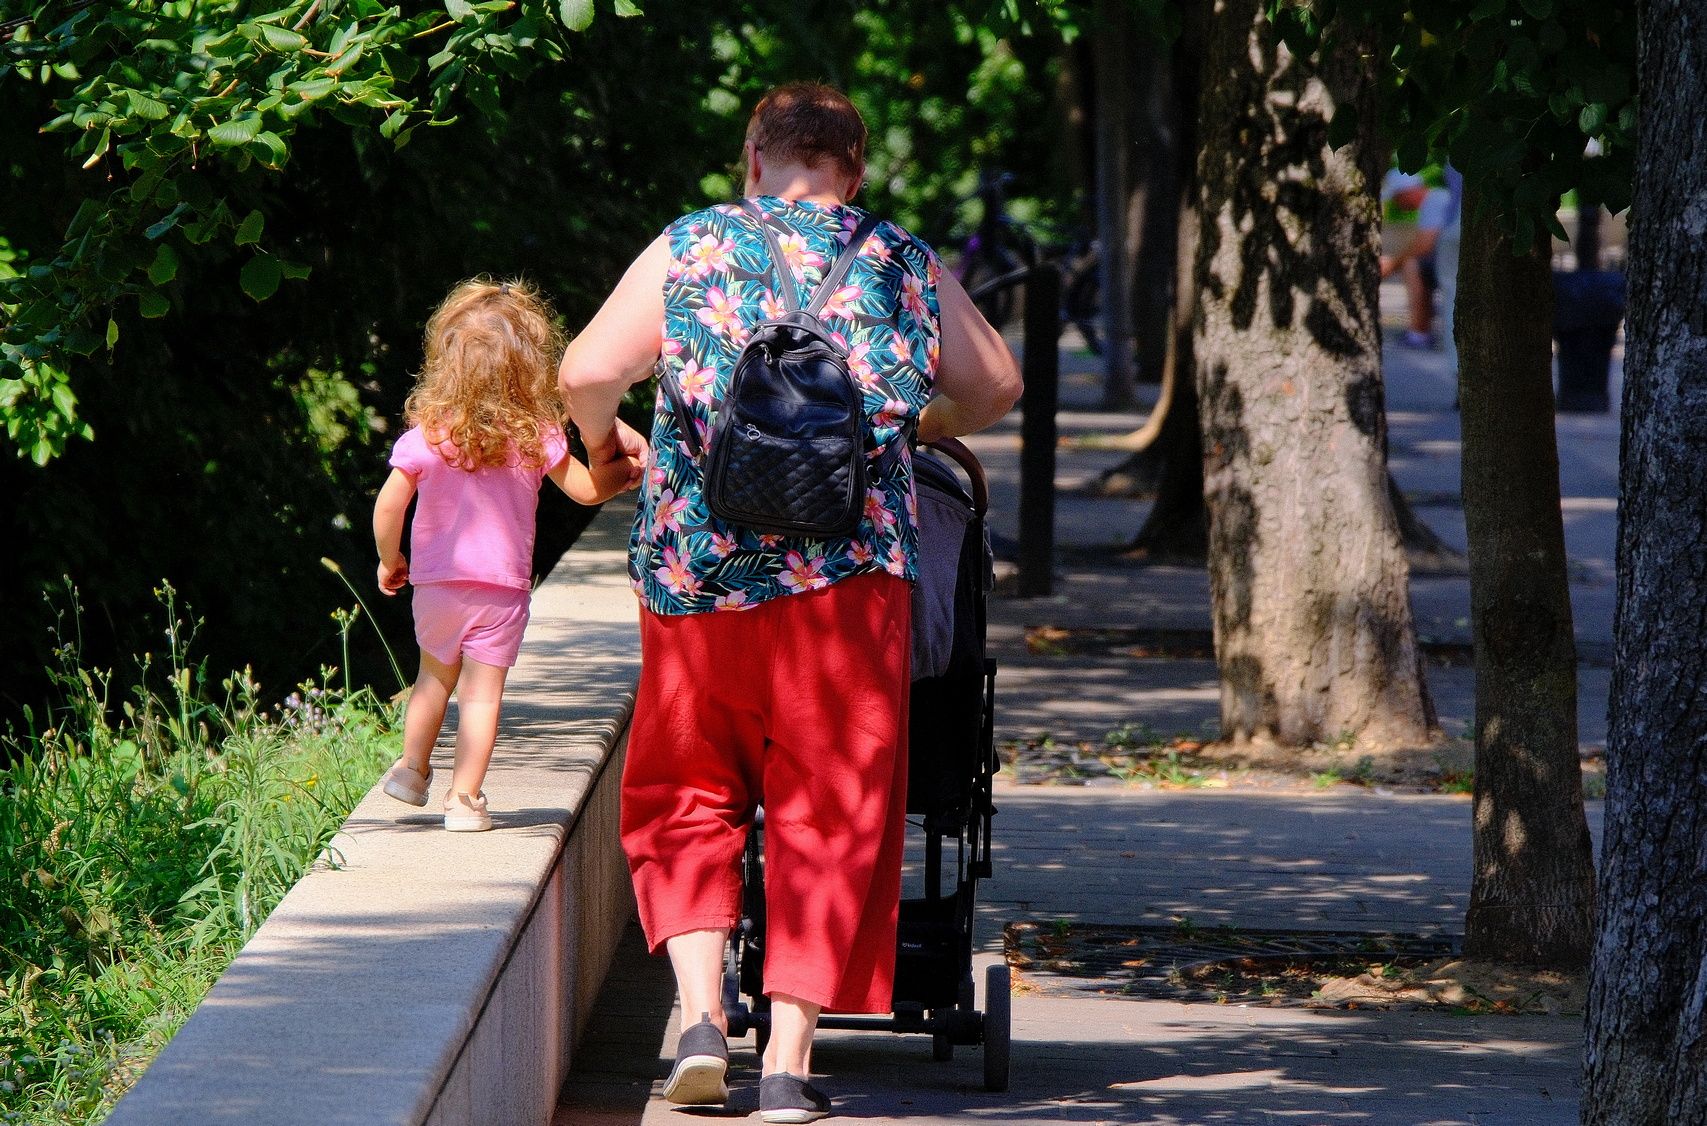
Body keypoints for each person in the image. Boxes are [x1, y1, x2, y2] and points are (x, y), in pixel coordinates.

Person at [559, 83, 1021, 1123]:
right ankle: (788, 1065)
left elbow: (586, 366)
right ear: (854, 170)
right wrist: (917, 424)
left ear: (752, 159)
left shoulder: (695, 244)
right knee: (834, 813)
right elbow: (997, 385)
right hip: (851, 590)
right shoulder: (898, 258)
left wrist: (602, 447)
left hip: (698, 577)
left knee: (684, 793)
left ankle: (696, 1023)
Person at [373, 279, 643, 832]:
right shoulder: (536, 436)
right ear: (530, 367)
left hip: (437, 584)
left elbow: (389, 504)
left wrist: (389, 558)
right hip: (501, 590)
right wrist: (628, 471)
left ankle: (411, 769)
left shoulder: (429, 435)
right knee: (481, 695)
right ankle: (464, 800)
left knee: (432, 678)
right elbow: (589, 490)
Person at [1380, 169, 1459, 349]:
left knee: (1412, 265)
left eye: (1397, 198)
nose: (1398, 204)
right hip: (1446, 259)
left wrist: (1391, 264)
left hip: (1449, 262)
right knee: (1416, 264)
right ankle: (1421, 329)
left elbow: (1425, 244)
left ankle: (1419, 333)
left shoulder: (1435, 200)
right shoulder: (1434, 200)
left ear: (1406, 192)